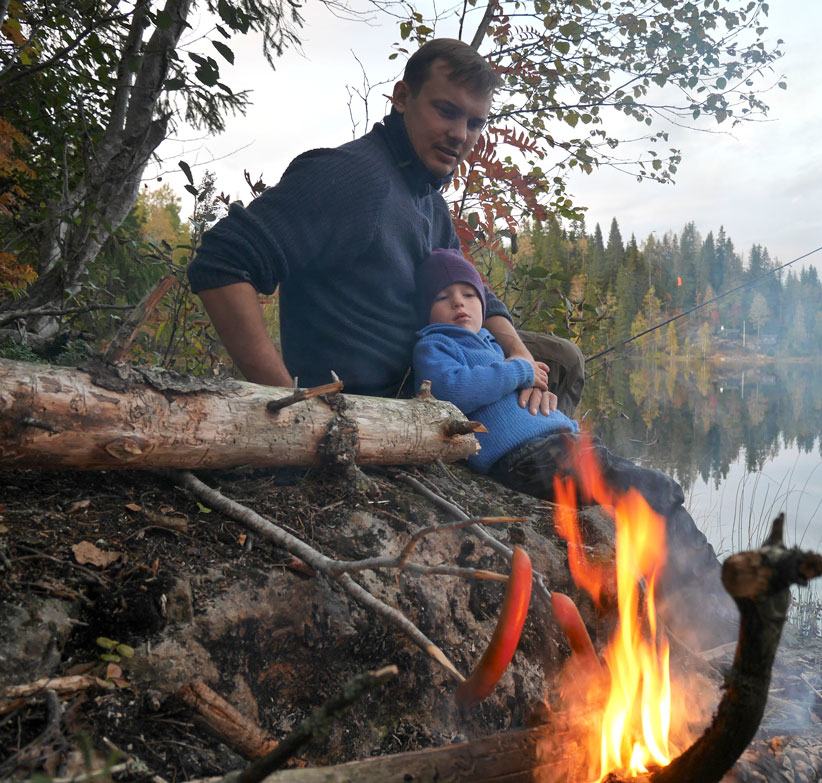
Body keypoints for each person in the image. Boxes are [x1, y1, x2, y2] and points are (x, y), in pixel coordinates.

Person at [186, 38, 583, 415]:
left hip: (441, 363)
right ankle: (533, 455)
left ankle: (540, 444)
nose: (461, 135)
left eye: (475, 123)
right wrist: (288, 402)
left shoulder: (428, 199)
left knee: (560, 359)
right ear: (403, 97)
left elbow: (479, 292)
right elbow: (223, 260)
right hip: (379, 400)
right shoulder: (351, 177)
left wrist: (517, 351)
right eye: (446, 111)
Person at [413, 249, 737, 649]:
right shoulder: (436, 346)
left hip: (561, 447)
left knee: (652, 498)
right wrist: (520, 369)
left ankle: (716, 614)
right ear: (426, 311)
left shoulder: (488, 344)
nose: (459, 302)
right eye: (443, 297)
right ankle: (718, 626)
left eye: (468, 293)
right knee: (654, 491)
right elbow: (451, 389)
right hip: (531, 458)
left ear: (484, 302)